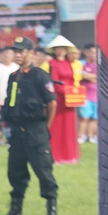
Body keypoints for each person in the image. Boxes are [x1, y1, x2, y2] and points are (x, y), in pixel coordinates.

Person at [1, 36, 58, 215]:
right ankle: (16, 207)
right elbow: (10, 101)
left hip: (35, 128)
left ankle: (51, 205)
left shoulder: (39, 75)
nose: (18, 55)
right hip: (17, 130)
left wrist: (45, 127)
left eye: (21, 51)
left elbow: (52, 103)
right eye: (16, 51)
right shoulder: (13, 76)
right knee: (15, 170)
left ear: (30, 53)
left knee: (43, 169)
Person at [43, 36, 80, 164]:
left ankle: (70, 155)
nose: (60, 50)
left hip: (70, 99)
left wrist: (75, 93)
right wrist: (66, 92)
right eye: (58, 48)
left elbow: (73, 79)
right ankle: (56, 155)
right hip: (59, 98)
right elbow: (54, 81)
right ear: (54, 50)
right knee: (57, 126)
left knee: (69, 126)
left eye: (62, 48)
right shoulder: (52, 63)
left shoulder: (69, 63)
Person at [0, 46, 19, 147]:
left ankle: (10, 140)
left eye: (9, 53)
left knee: (12, 122)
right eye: (5, 53)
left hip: (13, 100)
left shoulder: (16, 67)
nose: (7, 56)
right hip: (1, 99)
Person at [78, 44, 98, 144]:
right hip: (84, 95)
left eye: (95, 53)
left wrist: (89, 76)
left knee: (94, 118)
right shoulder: (81, 63)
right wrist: (93, 77)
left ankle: (91, 136)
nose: (94, 54)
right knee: (84, 117)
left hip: (97, 96)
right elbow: (81, 75)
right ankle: (81, 136)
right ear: (87, 52)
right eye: (92, 52)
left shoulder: (99, 64)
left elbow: (101, 77)